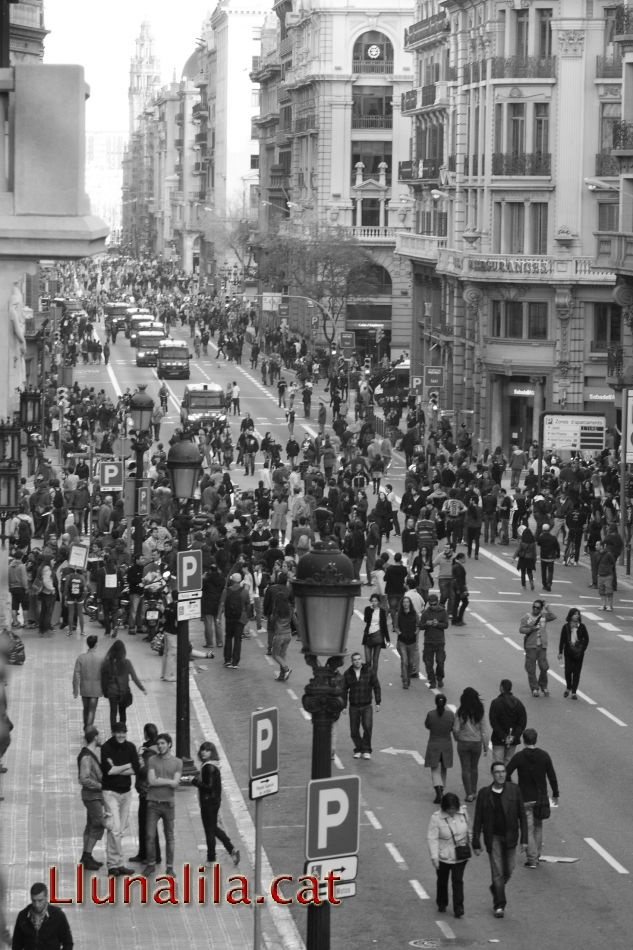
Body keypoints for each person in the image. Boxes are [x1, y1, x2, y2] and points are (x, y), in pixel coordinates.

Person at [471, 761, 528, 918]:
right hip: (493, 837)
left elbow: (522, 816)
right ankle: (499, 905)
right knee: (497, 871)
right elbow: (478, 819)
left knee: (509, 869)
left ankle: (496, 888)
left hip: (510, 836)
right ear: (492, 774)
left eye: (503, 771)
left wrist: (524, 839)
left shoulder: (514, 790)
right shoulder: (484, 794)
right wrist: (476, 842)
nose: (501, 774)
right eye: (497, 772)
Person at [507, 728, 559, 869]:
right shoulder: (544, 756)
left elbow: (507, 772)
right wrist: (555, 794)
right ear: (536, 739)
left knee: (527, 829)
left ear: (523, 740)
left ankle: (532, 859)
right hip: (540, 798)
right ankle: (537, 855)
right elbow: (552, 776)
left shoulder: (519, 757)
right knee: (538, 827)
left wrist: (511, 787)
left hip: (524, 797)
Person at [189, 741, 240, 866]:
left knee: (209, 831)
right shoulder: (212, 765)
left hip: (208, 803)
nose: (203, 752)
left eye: (206, 750)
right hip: (214, 802)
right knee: (214, 828)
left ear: (211, 752)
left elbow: (208, 787)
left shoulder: (208, 767)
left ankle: (211, 858)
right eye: (202, 750)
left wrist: (194, 781)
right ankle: (231, 849)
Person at [100, 722, 140, 877]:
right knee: (115, 829)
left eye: (123, 732)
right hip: (110, 793)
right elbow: (108, 771)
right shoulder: (106, 748)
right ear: (113, 733)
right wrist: (127, 765)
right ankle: (114, 864)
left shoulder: (130, 747)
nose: (121, 735)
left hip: (126, 793)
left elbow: (135, 769)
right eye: (118, 733)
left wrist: (118, 767)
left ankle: (116, 863)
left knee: (120, 830)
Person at [143, 732, 182, 878]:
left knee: (170, 837)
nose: (160, 746)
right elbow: (151, 781)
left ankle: (170, 867)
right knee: (149, 835)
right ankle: (151, 864)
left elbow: (176, 784)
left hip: (168, 804)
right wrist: (168, 781)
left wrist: (160, 780)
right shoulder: (152, 759)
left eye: (163, 743)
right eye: (158, 743)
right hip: (153, 803)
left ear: (169, 744)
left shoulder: (178, 762)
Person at [427, 791, 471, 919]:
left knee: (458, 881)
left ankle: (459, 908)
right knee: (442, 881)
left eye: (454, 808)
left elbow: (468, 829)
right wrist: (434, 857)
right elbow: (432, 838)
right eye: (449, 809)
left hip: (460, 855)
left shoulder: (462, 813)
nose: (452, 811)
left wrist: (473, 844)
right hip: (443, 856)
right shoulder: (436, 818)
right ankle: (442, 902)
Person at [128, 723, 161, 867]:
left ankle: (150, 855)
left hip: (147, 793)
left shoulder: (148, 753)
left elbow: (144, 771)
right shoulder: (156, 750)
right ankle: (145, 853)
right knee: (146, 823)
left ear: (146, 734)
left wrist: (138, 758)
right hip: (151, 792)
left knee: (147, 824)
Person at [77, 725, 107, 870]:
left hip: (92, 796)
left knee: (90, 825)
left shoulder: (89, 754)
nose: (101, 738)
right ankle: (87, 855)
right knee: (98, 825)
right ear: (95, 737)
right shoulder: (87, 756)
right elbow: (84, 778)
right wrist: (100, 786)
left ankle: (86, 855)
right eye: (99, 736)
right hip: (92, 796)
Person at [100, 639, 146, 732]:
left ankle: (114, 731)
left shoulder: (107, 664)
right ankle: (122, 730)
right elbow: (134, 678)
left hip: (112, 692)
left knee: (113, 712)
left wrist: (104, 691)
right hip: (123, 692)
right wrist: (142, 688)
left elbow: (103, 680)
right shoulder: (127, 663)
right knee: (122, 711)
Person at [342, 652, 381, 760]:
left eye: (359, 659)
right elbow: (343, 690)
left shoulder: (369, 671)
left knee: (367, 727)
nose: (357, 661)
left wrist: (378, 702)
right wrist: (344, 706)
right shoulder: (348, 673)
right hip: (354, 706)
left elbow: (376, 686)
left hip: (366, 705)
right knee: (354, 730)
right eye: (355, 659)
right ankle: (359, 749)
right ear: (352, 661)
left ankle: (367, 750)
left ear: (361, 660)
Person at [11, 882, 73, 950]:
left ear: (46, 897)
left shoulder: (58, 916)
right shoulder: (22, 916)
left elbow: (68, 943)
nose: (37, 905)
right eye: (34, 900)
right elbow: (16, 944)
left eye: (40, 901)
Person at [452, 687, 488, 802]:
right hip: (476, 743)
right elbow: (484, 729)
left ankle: (469, 794)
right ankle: (474, 790)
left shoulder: (461, 711)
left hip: (463, 742)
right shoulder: (480, 710)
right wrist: (486, 745)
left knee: (465, 768)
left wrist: (457, 738)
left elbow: (456, 729)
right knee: (474, 767)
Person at [519, 599, 556, 698]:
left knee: (544, 667)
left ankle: (543, 685)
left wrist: (547, 607)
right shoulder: (526, 617)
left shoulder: (543, 617)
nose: (535, 609)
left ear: (540, 609)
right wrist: (531, 629)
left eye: (538, 607)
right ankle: (534, 688)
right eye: (534, 607)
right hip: (531, 646)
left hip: (542, 646)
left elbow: (553, 616)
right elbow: (521, 629)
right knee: (531, 668)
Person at [488, 679, 527, 765]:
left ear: (501, 688)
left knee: (497, 764)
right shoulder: (519, 703)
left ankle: (499, 778)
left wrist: (503, 736)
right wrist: (514, 736)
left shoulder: (496, 703)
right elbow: (522, 723)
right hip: (513, 740)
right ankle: (506, 778)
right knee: (508, 762)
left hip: (498, 739)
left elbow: (493, 722)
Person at [424, 693, 454, 803]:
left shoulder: (431, 714)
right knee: (444, 768)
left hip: (434, 744)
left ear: (435, 702)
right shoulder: (450, 715)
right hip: (446, 744)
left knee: (435, 769)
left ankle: (439, 791)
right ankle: (442, 790)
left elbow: (427, 725)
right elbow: (452, 727)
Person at [557, 607, 589, 699]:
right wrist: (560, 652)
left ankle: (574, 692)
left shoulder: (582, 627)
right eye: (575, 614)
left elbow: (586, 639)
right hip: (568, 652)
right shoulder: (566, 627)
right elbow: (562, 640)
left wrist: (582, 649)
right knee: (568, 671)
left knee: (576, 672)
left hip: (579, 653)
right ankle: (568, 687)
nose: (577, 616)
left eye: (578, 614)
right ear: (570, 616)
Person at [419, 592, 449, 689]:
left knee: (440, 661)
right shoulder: (426, 613)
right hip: (428, 642)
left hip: (440, 641)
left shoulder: (443, 612)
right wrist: (426, 624)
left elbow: (446, 625)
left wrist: (438, 624)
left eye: (434, 604)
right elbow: (420, 626)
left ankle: (439, 678)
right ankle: (432, 680)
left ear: (437, 602)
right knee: (428, 663)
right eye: (431, 604)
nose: (432, 606)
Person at [72, 634, 102, 731]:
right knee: (92, 710)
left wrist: (75, 689)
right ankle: (88, 729)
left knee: (86, 709)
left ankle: (86, 726)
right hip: (96, 689)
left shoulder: (81, 658)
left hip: (85, 688)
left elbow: (76, 675)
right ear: (96, 644)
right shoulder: (101, 658)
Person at [362, 593, 390, 674]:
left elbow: (384, 626)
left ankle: (373, 678)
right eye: (372, 601)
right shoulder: (367, 609)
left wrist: (387, 639)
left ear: (378, 602)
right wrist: (371, 610)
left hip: (378, 636)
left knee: (375, 660)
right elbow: (366, 620)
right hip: (368, 636)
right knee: (368, 661)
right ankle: (368, 677)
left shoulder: (382, 611)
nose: (374, 602)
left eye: (375, 601)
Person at [395, 595, 419, 689]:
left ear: (410, 604)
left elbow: (418, 625)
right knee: (405, 661)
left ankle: (408, 677)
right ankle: (405, 681)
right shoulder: (398, 614)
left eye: (407, 602)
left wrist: (415, 633)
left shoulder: (414, 614)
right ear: (402, 604)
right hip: (402, 641)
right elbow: (396, 627)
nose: (405, 604)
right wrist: (400, 633)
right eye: (404, 602)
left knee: (411, 662)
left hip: (412, 641)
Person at [536, 523, 560, 592]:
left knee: (543, 571)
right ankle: (549, 583)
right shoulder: (553, 538)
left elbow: (538, 543)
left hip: (543, 556)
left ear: (543, 530)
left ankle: (544, 584)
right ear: (549, 529)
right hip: (551, 557)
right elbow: (557, 547)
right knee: (550, 571)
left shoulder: (541, 537)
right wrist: (558, 554)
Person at [451, 553, 468, 626]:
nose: (465, 559)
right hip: (459, 587)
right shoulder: (458, 567)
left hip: (458, 587)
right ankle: (457, 619)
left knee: (458, 603)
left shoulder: (456, 565)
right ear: (461, 558)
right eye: (464, 558)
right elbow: (459, 579)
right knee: (462, 602)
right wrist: (462, 590)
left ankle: (457, 619)